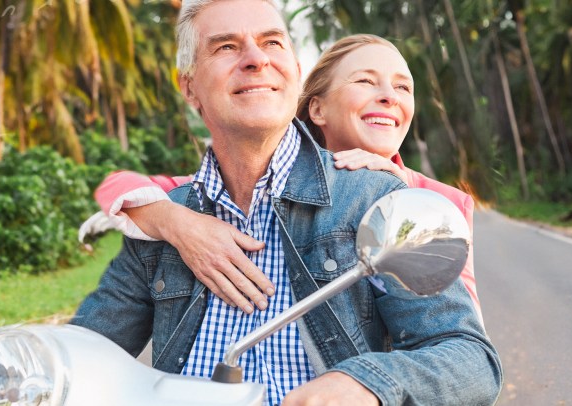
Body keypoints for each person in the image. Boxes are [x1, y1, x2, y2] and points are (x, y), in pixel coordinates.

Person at [70, 1, 502, 404]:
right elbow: (80, 357)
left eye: (272, 42)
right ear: (189, 87)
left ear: (293, 71)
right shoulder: (166, 222)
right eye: (225, 47)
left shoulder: (377, 197)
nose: (256, 59)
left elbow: (471, 359)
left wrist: (365, 382)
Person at [84, 35, 482, 323]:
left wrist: (400, 198)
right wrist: (179, 223)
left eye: (403, 87)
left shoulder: (442, 202)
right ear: (318, 109)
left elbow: (462, 339)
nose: (389, 96)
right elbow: (116, 185)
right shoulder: (260, 181)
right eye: (365, 81)